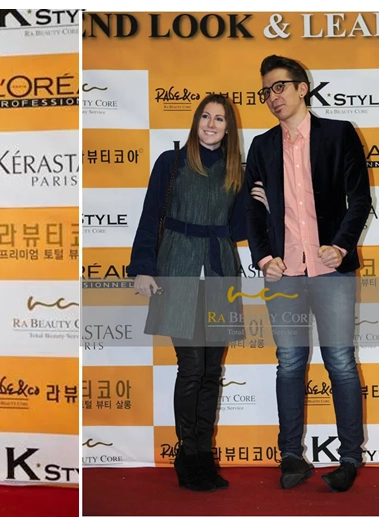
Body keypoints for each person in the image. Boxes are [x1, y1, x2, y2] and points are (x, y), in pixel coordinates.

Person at [245, 54, 370, 492]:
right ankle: (291, 456)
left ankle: (350, 458)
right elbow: (252, 213)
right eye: (266, 91)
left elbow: (360, 200)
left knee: (340, 362)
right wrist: (264, 258)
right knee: (290, 363)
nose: (272, 97)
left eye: (279, 87)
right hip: (283, 274)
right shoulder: (261, 146)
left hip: (330, 269)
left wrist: (341, 246)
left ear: (303, 88)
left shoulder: (338, 134)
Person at [125, 94, 249, 492]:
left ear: (229, 128)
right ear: (196, 122)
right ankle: (188, 454)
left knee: (212, 370)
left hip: (220, 271)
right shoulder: (172, 161)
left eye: (219, 119)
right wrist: (143, 266)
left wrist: (259, 204)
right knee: (192, 367)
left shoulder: (237, 170)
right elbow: (151, 215)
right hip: (178, 268)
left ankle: (203, 455)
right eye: (205, 117)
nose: (211, 124)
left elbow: (239, 228)